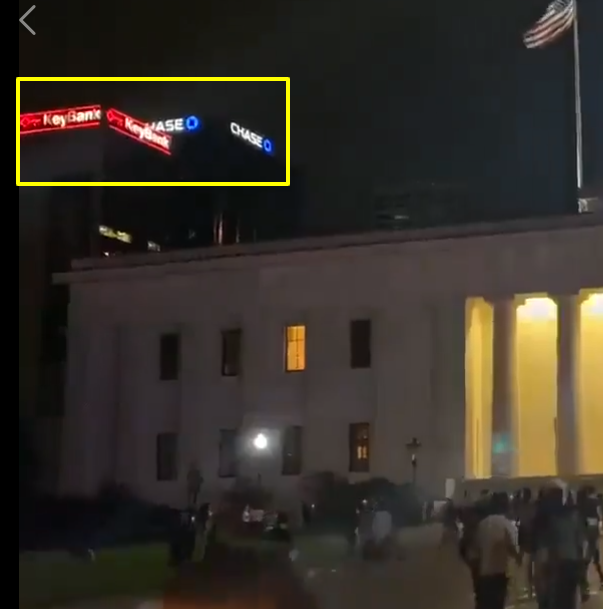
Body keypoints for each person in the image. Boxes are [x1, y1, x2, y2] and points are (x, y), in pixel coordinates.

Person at [538, 483, 585, 609]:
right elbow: (580, 543)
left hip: (555, 563)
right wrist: (581, 566)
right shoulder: (575, 516)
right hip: (571, 561)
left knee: (555, 598)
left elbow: (545, 543)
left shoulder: (549, 517)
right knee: (569, 598)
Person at [473, 492, 521, 609]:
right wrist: (518, 557)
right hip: (498, 575)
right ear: (506, 506)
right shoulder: (507, 525)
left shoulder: (482, 524)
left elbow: (475, 552)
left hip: (482, 576)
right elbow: (513, 548)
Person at [578, 485, 603, 599]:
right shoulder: (594, 502)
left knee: (587, 559)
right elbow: (599, 515)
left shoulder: (581, 503)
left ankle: (584, 585)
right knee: (593, 557)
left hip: (585, 531)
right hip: (592, 530)